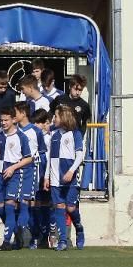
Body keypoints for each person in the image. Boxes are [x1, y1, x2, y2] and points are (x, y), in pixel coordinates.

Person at [0, 107, 33, 251]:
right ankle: (17, 232)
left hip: (14, 175)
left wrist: (13, 167)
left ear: (13, 120)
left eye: (6, 120)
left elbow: (28, 158)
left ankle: (6, 241)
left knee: (9, 206)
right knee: (0, 209)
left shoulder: (21, 137)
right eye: (1, 120)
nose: (3, 123)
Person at [44, 105, 86, 251]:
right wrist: (46, 176)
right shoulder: (53, 135)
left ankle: (79, 229)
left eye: (56, 116)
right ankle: (62, 240)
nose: (53, 119)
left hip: (70, 177)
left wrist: (71, 171)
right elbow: (50, 158)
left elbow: (80, 155)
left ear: (64, 117)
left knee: (71, 207)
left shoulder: (75, 134)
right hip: (55, 178)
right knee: (59, 207)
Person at [13, 101, 45, 249]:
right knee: (15, 204)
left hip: (31, 170)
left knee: (27, 203)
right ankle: (20, 234)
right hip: (15, 170)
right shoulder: (13, 130)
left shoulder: (35, 131)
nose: (14, 116)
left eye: (16, 113)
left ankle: (33, 236)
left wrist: (44, 174)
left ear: (23, 113)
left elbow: (42, 153)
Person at [31, 108, 53, 248]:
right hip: (35, 175)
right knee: (34, 205)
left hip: (45, 175)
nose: (36, 126)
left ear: (46, 123)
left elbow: (50, 158)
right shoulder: (33, 136)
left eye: (38, 123)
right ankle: (35, 235)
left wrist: (47, 177)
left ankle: (46, 235)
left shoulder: (50, 138)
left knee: (46, 205)